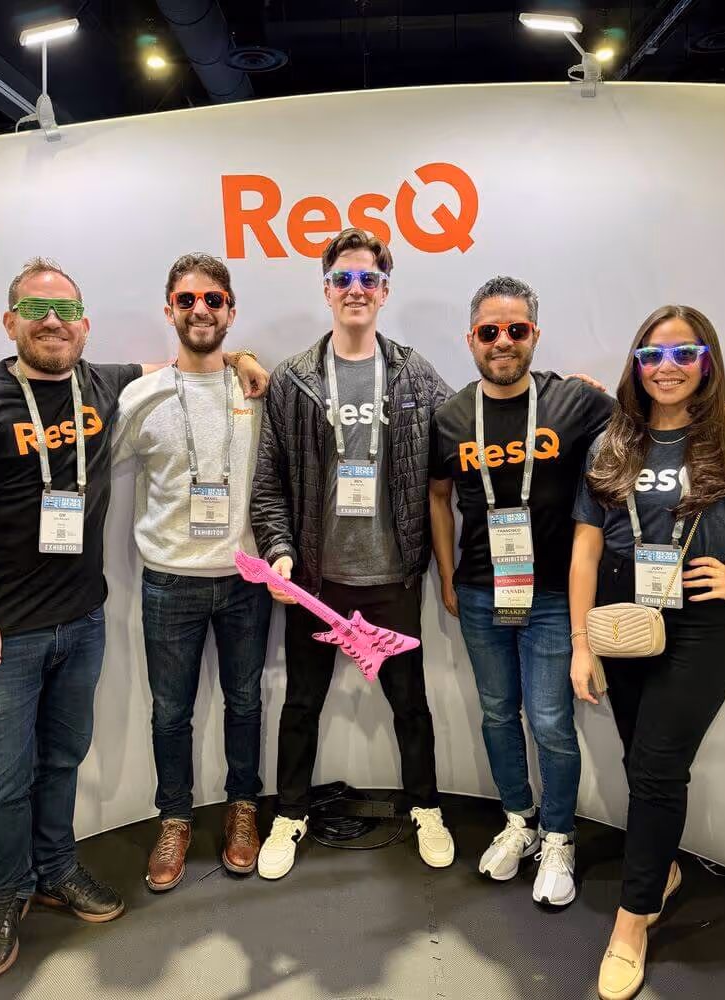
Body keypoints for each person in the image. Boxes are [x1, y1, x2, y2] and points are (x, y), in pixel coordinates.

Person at [0, 258, 267, 979]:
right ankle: (4, 897)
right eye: (35, 309)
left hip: (80, 619)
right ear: (9, 321)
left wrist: (239, 356)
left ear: (85, 325)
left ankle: (55, 869)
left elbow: (191, 357)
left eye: (65, 311)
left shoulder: (104, 385)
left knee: (62, 760)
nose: (51, 322)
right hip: (1, 629)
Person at [428, 277, 725, 909]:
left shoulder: (577, 403)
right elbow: (438, 495)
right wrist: (447, 574)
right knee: (498, 714)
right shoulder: (449, 416)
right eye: (489, 331)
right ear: (470, 338)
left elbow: (664, 409)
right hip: (481, 591)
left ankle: (559, 837)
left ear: (534, 334)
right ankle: (518, 821)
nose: (502, 341)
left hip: (557, 596)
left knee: (551, 721)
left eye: (516, 329)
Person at [570, 305, 725, 1000]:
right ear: (636, 364)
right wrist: (581, 643)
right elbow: (585, 547)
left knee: (657, 768)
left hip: (697, 631)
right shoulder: (612, 443)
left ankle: (631, 923)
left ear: (707, 363)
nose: (667, 367)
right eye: (652, 355)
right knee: (641, 763)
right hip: (620, 622)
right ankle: (663, 870)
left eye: (684, 354)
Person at [250, 228, 455, 879]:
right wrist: (279, 552)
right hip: (316, 580)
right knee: (301, 705)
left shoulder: (415, 373)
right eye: (344, 279)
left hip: (392, 577)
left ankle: (426, 807)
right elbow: (269, 482)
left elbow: (470, 428)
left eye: (369, 279)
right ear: (327, 290)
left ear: (385, 291)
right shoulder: (295, 379)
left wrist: (561, 388)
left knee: (411, 704)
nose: (356, 289)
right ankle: (289, 814)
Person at [112, 254, 271, 890]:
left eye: (213, 299)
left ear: (231, 311)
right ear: (170, 310)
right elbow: (96, 471)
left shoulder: (257, 390)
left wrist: (245, 358)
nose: (200, 309)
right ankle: (174, 818)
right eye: (187, 300)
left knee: (244, 702)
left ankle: (242, 808)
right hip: (168, 582)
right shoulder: (141, 397)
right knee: (169, 713)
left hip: (245, 581)